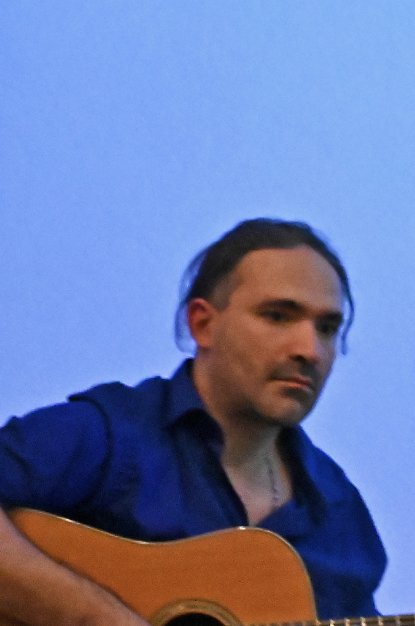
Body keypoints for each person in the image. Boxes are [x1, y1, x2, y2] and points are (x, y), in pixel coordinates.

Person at [0, 219, 389, 622]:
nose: (310, 349)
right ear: (202, 324)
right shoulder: (109, 436)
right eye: (277, 316)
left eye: (327, 328)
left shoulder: (339, 513)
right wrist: (95, 616)